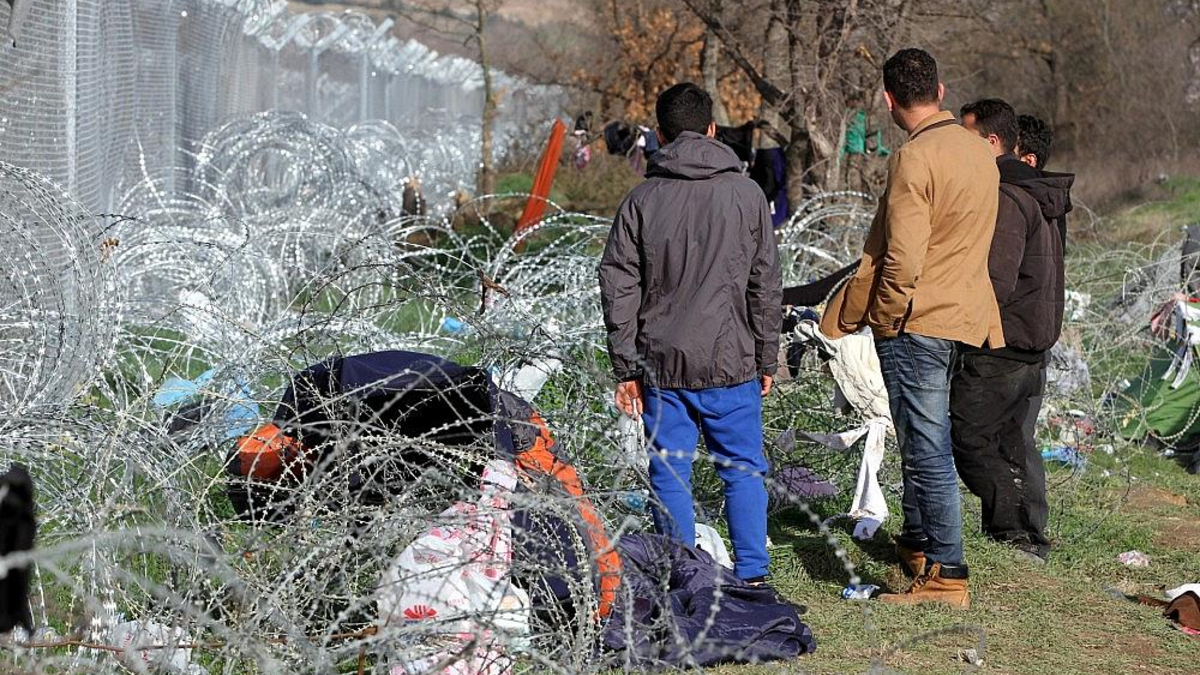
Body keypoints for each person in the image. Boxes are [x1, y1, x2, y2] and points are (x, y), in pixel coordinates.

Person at [820, 49, 1003, 608]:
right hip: (964, 316)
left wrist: (887, 316)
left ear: (888, 99)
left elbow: (901, 256)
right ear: (942, 90)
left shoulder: (914, 158)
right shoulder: (981, 154)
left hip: (916, 319)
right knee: (925, 436)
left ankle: (947, 575)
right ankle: (921, 545)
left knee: (926, 447)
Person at [598, 82, 782, 584]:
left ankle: (681, 576)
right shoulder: (747, 194)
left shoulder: (642, 199)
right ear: (713, 130)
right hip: (732, 359)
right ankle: (752, 576)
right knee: (742, 469)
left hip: (663, 366)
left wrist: (626, 367)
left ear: (659, 134)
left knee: (670, 474)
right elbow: (765, 283)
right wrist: (769, 357)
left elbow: (618, 285)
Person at [956, 99, 1071, 563]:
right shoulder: (1043, 196)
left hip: (1002, 340)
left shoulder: (1007, 197)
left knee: (966, 434)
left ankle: (1013, 531)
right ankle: (1027, 537)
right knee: (1013, 440)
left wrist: (960, 327)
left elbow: (995, 281)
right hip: (1035, 337)